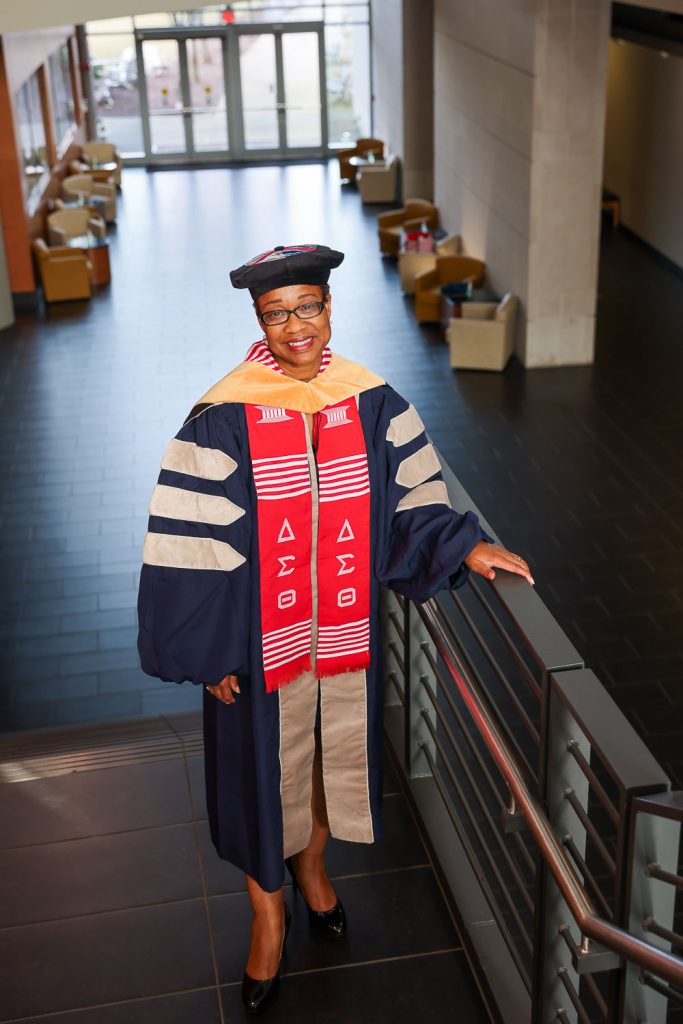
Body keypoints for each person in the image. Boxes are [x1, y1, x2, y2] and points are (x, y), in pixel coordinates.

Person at [137, 243, 533, 1014]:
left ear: (328, 306)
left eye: (306, 307)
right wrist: (210, 654)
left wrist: (465, 543)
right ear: (258, 318)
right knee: (260, 779)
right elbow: (190, 541)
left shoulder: (374, 402)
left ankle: (314, 873)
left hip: (344, 638)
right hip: (256, 650)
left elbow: (409, 505)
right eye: (275, 313)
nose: (294, 327)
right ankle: (268, 915)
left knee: (324, 765)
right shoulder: (223, 417)